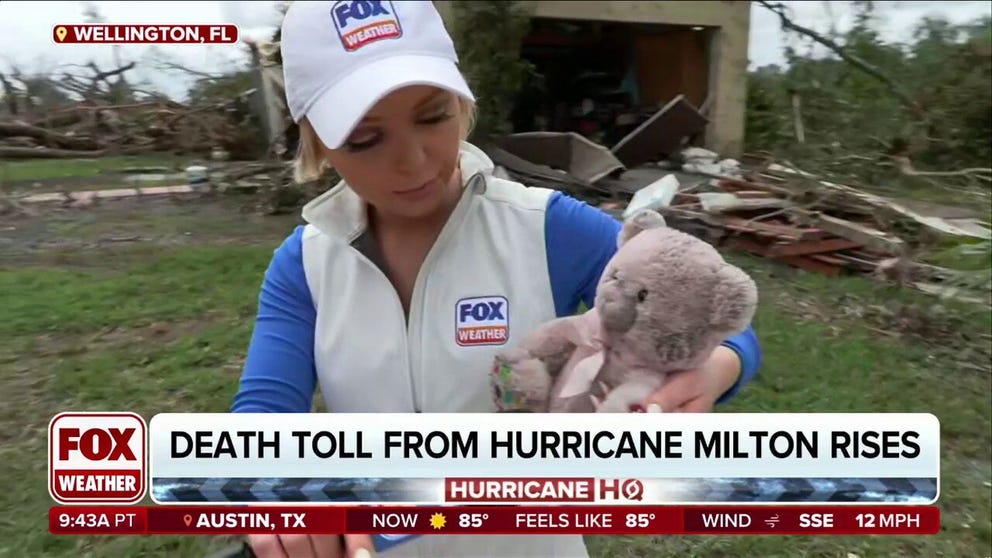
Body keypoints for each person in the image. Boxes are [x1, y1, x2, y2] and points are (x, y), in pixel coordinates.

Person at [232, 2, 762, 557]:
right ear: (316, 142)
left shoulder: (547, 228)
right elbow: (262, 419)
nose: (413, 161)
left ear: (462, 102)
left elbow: (710, 314)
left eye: (433, 116)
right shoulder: (305, 267)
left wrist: (720, 367)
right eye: (366, 139)